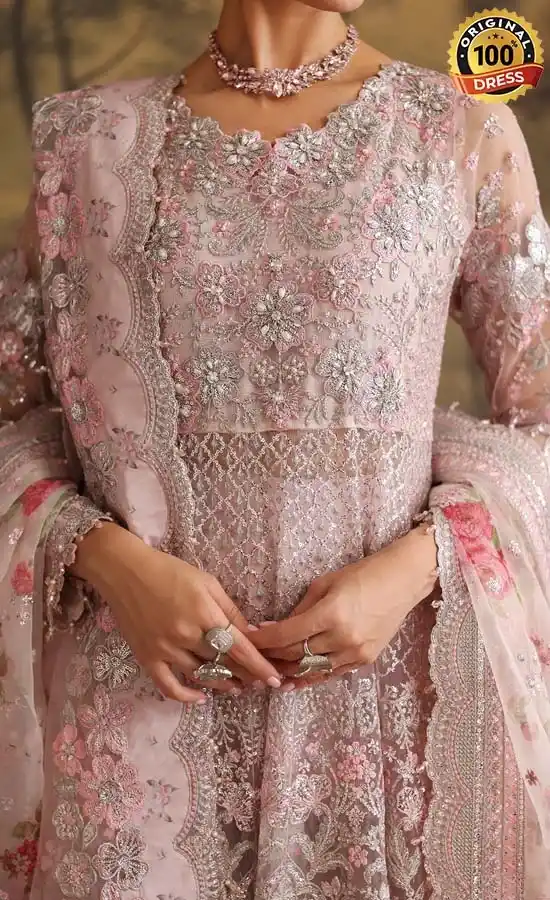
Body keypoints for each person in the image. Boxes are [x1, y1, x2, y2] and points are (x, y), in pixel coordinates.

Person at [1, 0, 550, 896]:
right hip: (137, 735)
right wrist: (109, 562)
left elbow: (542, 427)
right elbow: (13, 426)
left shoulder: (458, 134)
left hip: (377, 735)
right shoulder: (88, 142)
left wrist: (417, 566)